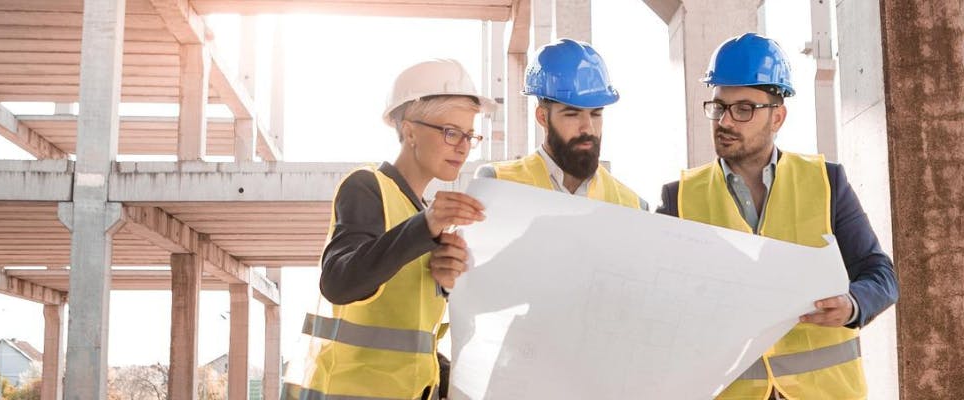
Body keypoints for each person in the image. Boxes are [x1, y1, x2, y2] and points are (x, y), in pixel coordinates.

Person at [655, 33, 899, 400]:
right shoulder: (680, 198)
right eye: (719, 107)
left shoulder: (826, 181)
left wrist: (852, 304)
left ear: (778, 116)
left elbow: (880, 275)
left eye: (743, 109)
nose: (725, 121)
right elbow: (654, 296)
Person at [285, 58, 494, 400]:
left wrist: (449, 284)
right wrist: (425, 226)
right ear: (409, 131)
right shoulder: (367, 187)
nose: (463, 146)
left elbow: (412, 345)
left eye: (470, 135)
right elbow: (339, 282)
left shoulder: (426, 219)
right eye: (451, 132)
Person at [477, 39, 648, 210]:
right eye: (572, 114)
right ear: (542, 117)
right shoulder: (496, 183)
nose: (588, 128)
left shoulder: (634, 207)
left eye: (596, 114)